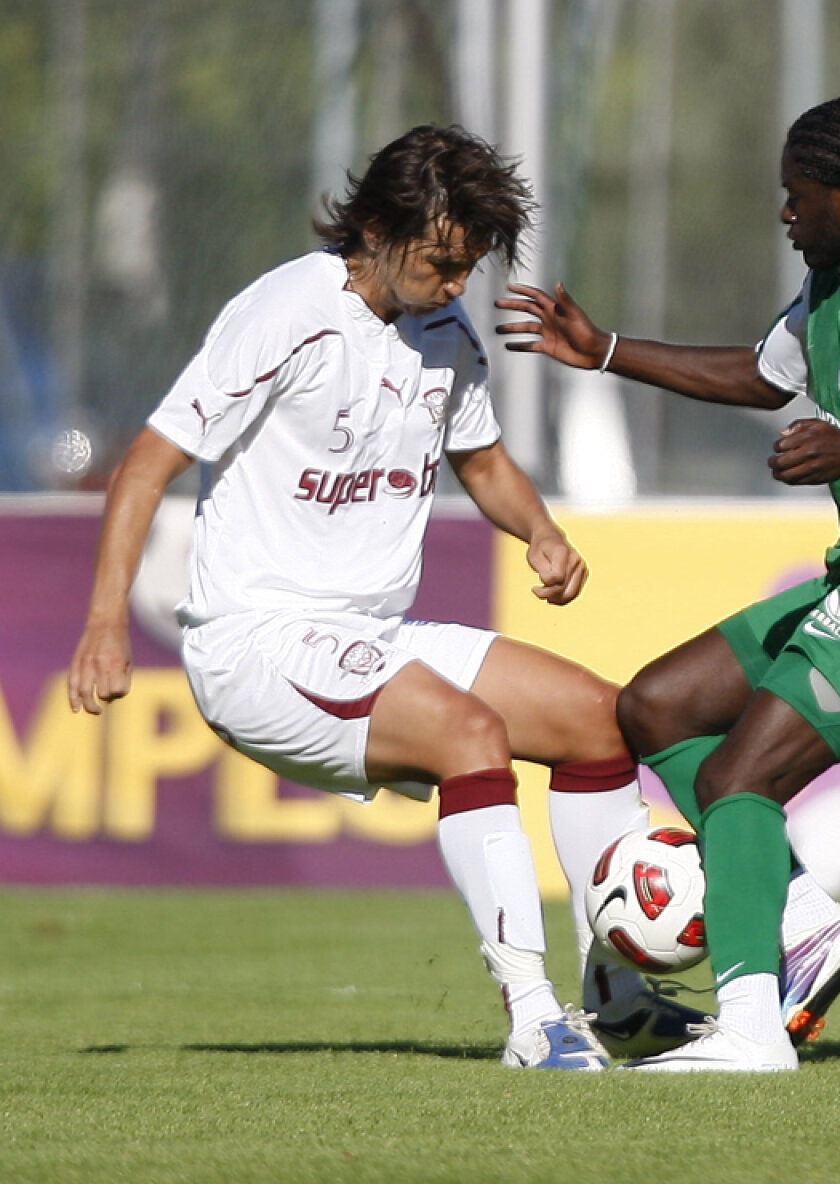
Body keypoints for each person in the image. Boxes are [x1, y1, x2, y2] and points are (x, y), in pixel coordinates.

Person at [65, 124, 708, 1071]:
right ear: (375, 225)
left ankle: (611, 993)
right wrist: (104, 622)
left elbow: (481, 459)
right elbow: (147, 464)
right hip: (259, 644)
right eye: (445, 260)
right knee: (470, 737)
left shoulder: (444, 332)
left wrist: (540, 532)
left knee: (598, 720)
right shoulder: (285, 312)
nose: (458, 283)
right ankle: (535, 1019)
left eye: (472, 266)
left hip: (371, 633)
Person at [497, 94, 840, 1072]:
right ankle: (804, 919)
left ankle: (752, 1027)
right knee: (656, 705)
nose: (784, 215)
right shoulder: (832, 284)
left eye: (796, 198)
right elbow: (759, 373)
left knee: (736, 777)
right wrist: (607, 350)